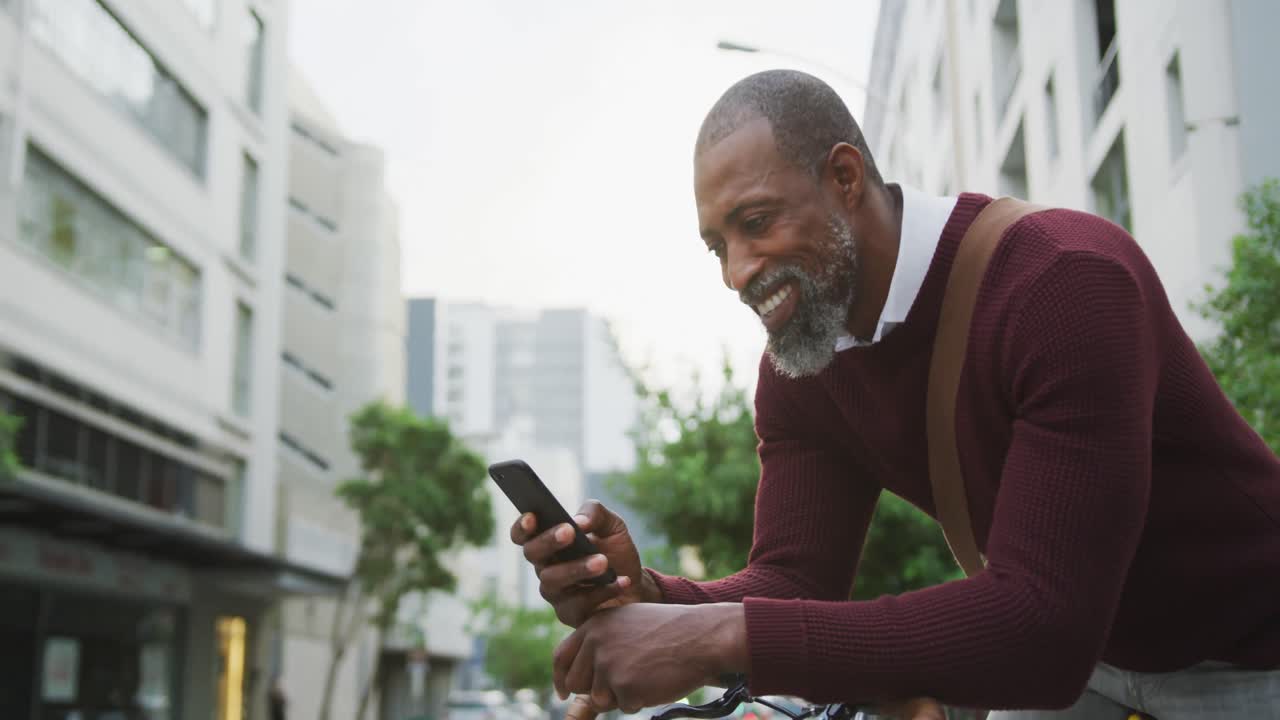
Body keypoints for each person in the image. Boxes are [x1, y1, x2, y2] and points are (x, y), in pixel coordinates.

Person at [511, 70, 1280, 719]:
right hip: (1091, 667)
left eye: (756, 222)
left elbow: (1042, 627)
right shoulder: (801, 365)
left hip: (1251, 654)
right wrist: (650, 597)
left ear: (845, 178)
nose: (736, 273)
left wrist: (713, 638)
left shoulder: (1064, 283)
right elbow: (792, 583)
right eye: (718, 245)